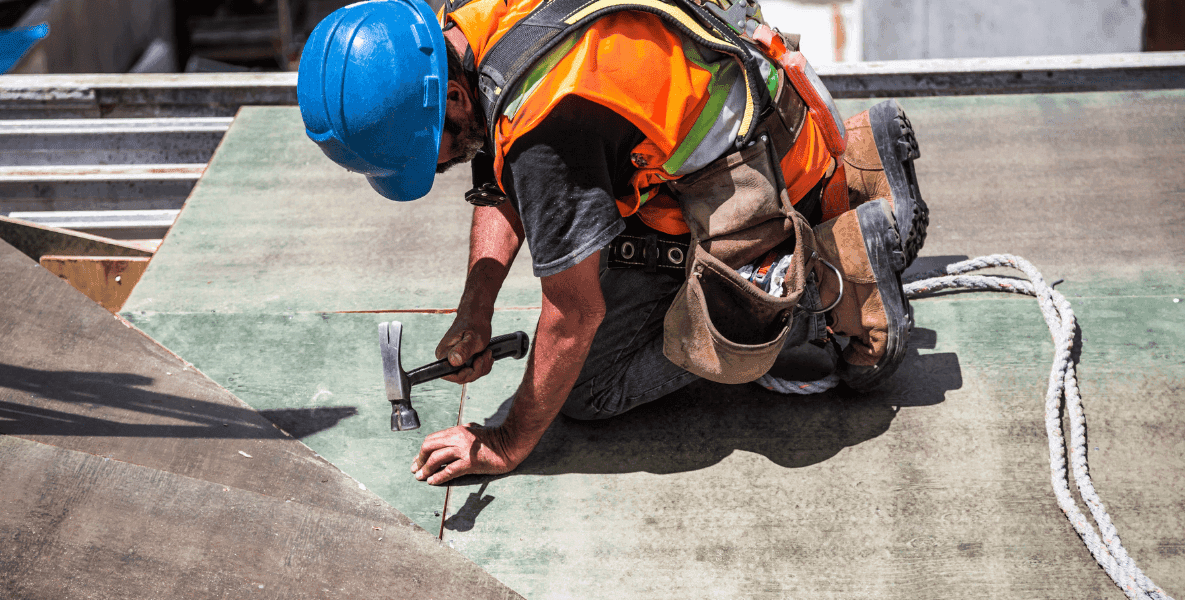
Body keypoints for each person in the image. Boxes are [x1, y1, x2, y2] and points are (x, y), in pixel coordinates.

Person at [296, 0, 928, 485]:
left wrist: (505, 439)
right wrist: (476, 308)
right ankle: (861, 163)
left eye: (428, 151)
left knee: (588, 388)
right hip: (770, 117)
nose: (435, 169)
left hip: (759, 188)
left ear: (454, 95)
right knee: (582, 239)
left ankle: (833, 281)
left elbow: (574, 315)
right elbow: (496, 165)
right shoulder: (467, 25)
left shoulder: (549, 128)